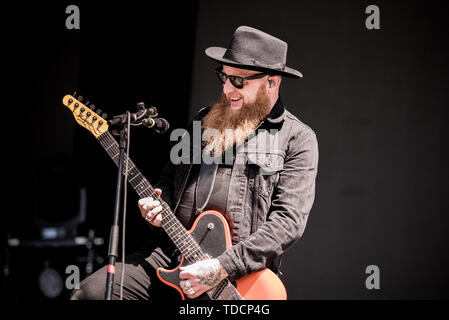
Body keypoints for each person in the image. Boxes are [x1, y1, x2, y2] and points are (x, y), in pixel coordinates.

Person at [71, 25, 318, 300]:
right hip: (172, 252)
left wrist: (221, 267)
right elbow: (167, 180)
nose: (226, 89)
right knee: (90, 293)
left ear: (272, 82)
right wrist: (155, 205)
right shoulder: (202, 121)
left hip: (238, 275)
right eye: (223, 77)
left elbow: (288, 222)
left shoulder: (297, 138)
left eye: (238, 81)